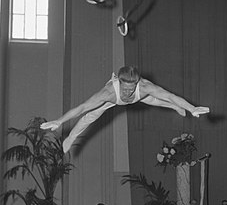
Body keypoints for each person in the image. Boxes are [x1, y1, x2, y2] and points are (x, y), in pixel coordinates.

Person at [40, 66, 210, 153]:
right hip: (113, 101)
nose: (128, 92)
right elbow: (82, 107)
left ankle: (176, 108)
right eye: (125, 88)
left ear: (137, 83)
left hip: (144, 95)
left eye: (131, 88)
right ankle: (71, 137)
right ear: (119, 82)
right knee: (90, 116)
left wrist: (191, 107)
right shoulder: (108, 93)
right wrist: (60, 121)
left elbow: (170, 95)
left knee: (157, 99)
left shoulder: (144, 86)